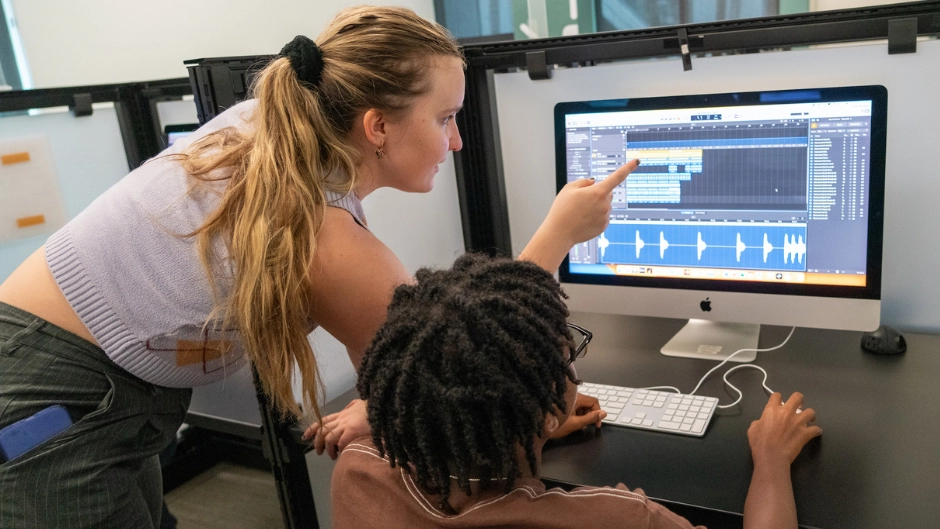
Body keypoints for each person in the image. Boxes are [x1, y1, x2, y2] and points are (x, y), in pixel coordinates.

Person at [0, 6, 637, 528]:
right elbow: (463, 375)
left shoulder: (273, 129)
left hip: (64, 371)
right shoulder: (320, 235)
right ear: (377, 126)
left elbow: (425, 353)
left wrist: (371, 404)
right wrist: (557, 236)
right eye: (445, 119)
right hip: (58, 397)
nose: (457, 141)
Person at [334, 253, 823, 529]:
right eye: (570, 356)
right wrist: (773, 462)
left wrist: (527, 428)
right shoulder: (619, 519)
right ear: (548, 407)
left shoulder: (357, 471)